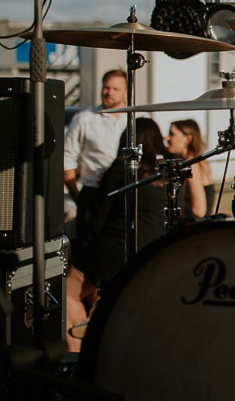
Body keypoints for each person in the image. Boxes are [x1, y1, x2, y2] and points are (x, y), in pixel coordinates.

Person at [65, 117, 171, 351]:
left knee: (67, 295)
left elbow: (100, 218)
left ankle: (77, 361)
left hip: (115, 247)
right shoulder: (167, 172)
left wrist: (81, 248)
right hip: (152, 250)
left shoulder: (122, 168)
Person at [63, 68, 130, 246]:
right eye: (106, 87)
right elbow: (67, 159)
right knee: (89, 246)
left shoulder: (135, 118)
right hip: (94, 193)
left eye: (115, 89)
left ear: (126, 91)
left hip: (125, 192)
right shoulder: (85, 119)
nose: (108, 92)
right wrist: (76, 195)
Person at [167, 119, 216, 217]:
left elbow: (199, 211)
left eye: (172, 134)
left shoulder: (191, 164)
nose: (167, 138)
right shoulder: (197, 161)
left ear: (188, 138)